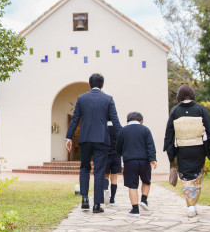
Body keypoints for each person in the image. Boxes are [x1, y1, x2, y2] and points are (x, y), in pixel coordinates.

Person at [66, 73, 122, 213]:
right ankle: (97, 204)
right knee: (99, 170)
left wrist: (69, 137)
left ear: (89, 84)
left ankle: (85, 199)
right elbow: (115, 121)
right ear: (102, 85)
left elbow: (75, 119)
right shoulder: (108, 99)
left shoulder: (81, 98)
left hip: (85, 138)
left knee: (84, 168)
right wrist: (122, 137)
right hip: (102, 139)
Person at [163, 84, 210, 218]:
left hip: (183, 148)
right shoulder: (200, 109)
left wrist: (168, 147)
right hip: (198, 147)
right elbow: (209, 128)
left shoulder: (175, 111)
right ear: (192, 94)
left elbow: (169, 131)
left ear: (179, 96)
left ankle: (190, 205)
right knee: (198, 175)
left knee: (186, 177)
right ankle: (194, 202)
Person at [115, 111, 157, 217]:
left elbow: (118, 147)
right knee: (146, 181)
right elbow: (150, 145)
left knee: (132, 185)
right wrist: (152, 159)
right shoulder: (146, 130)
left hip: (129, 161)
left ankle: (135, 209)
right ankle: (144, 200)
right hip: (144, 161)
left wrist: (121, 154)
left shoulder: (123, 130)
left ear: (127, 121)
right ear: (141, 121)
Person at [104, 120, 122, 205]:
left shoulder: (103, 126)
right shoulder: (118, 127)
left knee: (105, 176)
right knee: (114, 178)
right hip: (116, 155)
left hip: (105, 155)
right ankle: (112, 199)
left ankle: (105, 192)